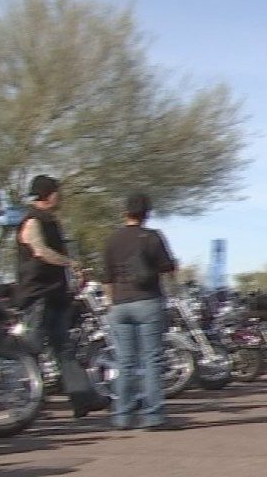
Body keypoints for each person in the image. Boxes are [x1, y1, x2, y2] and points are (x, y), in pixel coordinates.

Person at [16, 174, 95, 417]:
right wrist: (69, 263)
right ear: (48, 194)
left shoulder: (51, 221)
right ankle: (22, 402)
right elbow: (40, 251)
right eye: (56, 192)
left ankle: (83, 398)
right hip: (38, 296)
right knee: (31, 349)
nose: (60, 196)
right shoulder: (32, 221)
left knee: (64, 349)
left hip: (56, 295)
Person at [101, 192, 178, 429]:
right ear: (147, 214)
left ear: (125, 212)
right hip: (148, 301)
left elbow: (106, 277)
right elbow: (168, 267)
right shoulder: (152, 237)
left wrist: (111, 301)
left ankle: (122, 416)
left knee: (125, 362)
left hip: (120, 305)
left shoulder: (112, 239)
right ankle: (152, 415)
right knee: (152, 360)